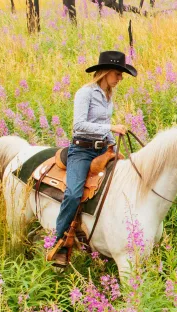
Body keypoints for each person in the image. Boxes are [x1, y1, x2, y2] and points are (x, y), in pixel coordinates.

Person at [46, 50, 137, 266]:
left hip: (102, 149)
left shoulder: (108, 96)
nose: (120, 78)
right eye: (117, 73)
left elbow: (104, 129)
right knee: (74, 192)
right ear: (105, 72)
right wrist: (111, 127)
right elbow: (78, 125)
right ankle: (59, 241)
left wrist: (113, 144)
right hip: (82, 151)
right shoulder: (85, 93)